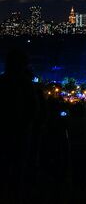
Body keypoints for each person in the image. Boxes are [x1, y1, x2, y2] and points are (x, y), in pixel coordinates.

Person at [0, 50, 42, 203]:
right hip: (21, 133)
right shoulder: (26, 84)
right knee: (18, 170)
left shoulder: (3, 81)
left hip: (7, 132)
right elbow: (34, 110)